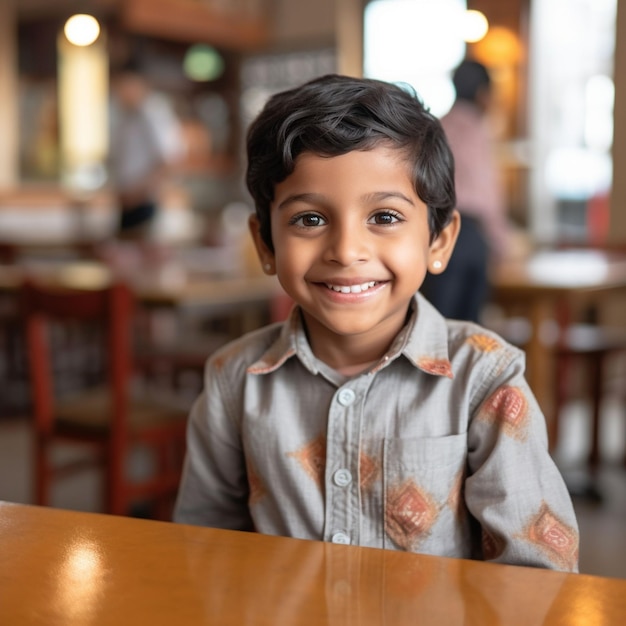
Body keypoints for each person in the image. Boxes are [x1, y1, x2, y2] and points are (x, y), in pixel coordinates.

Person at [174, 74, 579, 572]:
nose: (346, 251)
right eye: (309, 219)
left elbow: (537, 576)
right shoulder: (232, 380)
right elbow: (202, 551)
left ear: (438, 242)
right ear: (265, 244)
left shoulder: (485, 379)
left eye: (384, 217)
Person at [421, 59, 510, 323]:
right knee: (466, 329)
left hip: (435, 230)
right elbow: (487, 195)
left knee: (436, 320)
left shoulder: (434, 127)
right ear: (484, 94)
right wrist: (501, 242)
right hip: (469, 234)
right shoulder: (477, 131)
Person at [108, 61, 184, 239]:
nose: (120, 93)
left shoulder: (153, 112)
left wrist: (138, 193)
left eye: (124, 86)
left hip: (144, 202)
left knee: (142, 256)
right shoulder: (125, 116)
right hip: (127, 201)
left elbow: (170, 160)